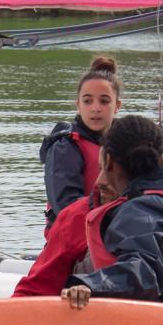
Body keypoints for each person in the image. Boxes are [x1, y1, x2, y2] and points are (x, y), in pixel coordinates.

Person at [60, 115, 163, 310]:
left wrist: (90, 284)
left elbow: (144, 273)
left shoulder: (143, 209)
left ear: (108, 161)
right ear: (160, 158)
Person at [39, 55, 122, 231]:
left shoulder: (126, 145)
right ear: (78, 105)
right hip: (76, 239)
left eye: (104, 101)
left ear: (117, 105)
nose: (95, 108)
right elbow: (66, 206)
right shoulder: (65, 147)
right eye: (87, 101)